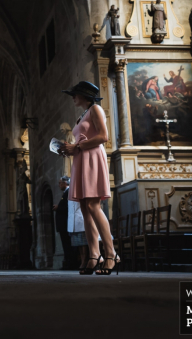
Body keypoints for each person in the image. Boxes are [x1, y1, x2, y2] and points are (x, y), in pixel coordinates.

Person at [59, 81, 119, 275]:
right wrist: (68, 148)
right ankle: (94, 255)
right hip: (81, 159)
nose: (73, 97)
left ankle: (110, 253)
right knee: (85, 208)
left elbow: (103, 136)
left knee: (93, 205)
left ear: (85, 95)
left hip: (92, 157)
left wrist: (76, 147)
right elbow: (81, 140)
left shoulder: (96, 109)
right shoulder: (81, 116)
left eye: (75, 94)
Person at [66, 179, 89, 273]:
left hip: (80, 220)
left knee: (84, 243)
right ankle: (83, 261)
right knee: (78, 244)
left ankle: (84, 262)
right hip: (73, 221)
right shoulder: (69, 193)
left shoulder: (82, 191)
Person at [52, 176, 73, 270]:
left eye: (60, 183)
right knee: (65, 244)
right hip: (64, 224)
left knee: (67, 244)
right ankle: (67, 263)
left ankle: (70, 264)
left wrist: (58, 208)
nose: (59, 185)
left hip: (65, 223)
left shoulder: (68, 192)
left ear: (65, 183)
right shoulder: (66, 193)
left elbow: (69, 207)